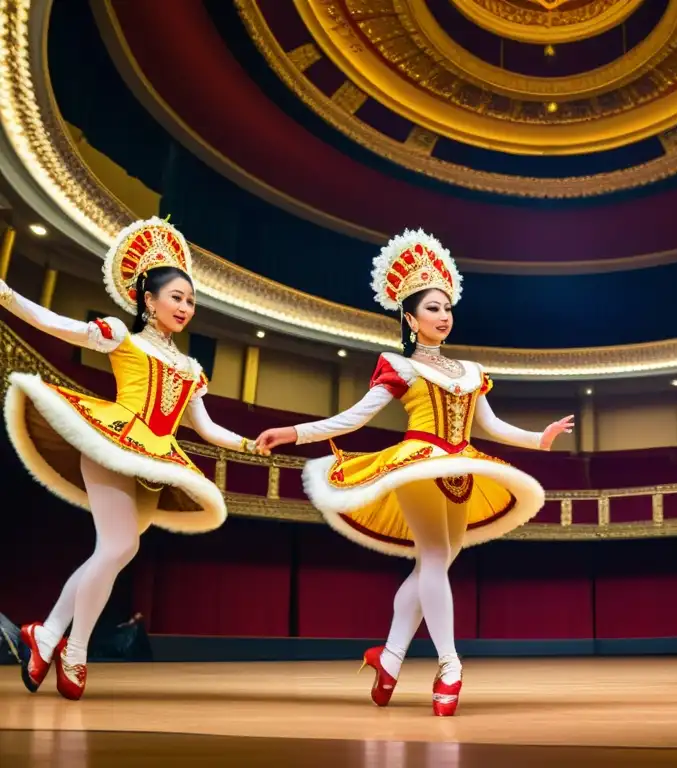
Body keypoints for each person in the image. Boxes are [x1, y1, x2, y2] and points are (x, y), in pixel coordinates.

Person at [255, 229, 573, 716]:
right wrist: (294, 433)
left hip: (463, 467)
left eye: (447, 307)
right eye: (432, 308)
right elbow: (353, 418)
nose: (443, 316)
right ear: (409, 317)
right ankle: (450, 663)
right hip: (417, 464)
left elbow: (489, 425)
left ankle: (389, 656)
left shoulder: (470, 369)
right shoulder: (399, 366)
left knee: (435, 563)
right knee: (432, 554)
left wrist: (539, 439)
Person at [0, 218, 260, 699]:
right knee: (118, 548)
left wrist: (249, 444)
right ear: (148, 299)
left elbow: (204, 428)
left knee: (114, 550)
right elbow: (58, 324)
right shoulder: (122, 335)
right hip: (113, 439)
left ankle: (49, 635)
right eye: (176, 297)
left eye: (190, 300)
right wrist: (7, 295)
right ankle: (74, 651)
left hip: (157, 459)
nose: (185, 307)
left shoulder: (191, 369)